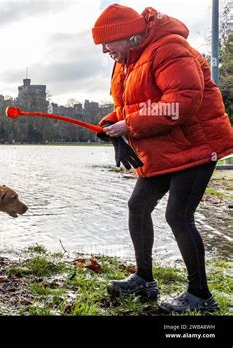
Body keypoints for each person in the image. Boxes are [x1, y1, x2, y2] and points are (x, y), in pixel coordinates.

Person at [92, 4, 233, 313]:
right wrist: (110, 123)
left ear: (128, 36)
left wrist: (129, 126)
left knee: (178, 216)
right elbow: (134, 105)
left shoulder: (169, 47)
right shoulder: (126, 62)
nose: (104, 50)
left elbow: (181, 103)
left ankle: (200, 297)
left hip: (196, 144)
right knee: (137, 206)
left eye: (108, 42)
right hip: (163, 147)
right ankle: (144, 280)